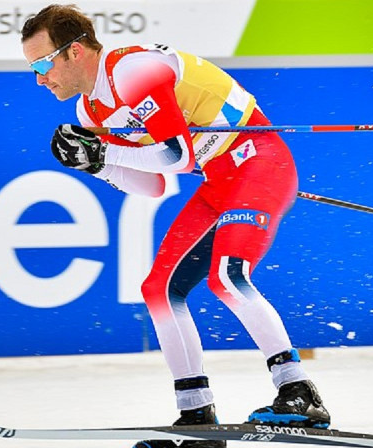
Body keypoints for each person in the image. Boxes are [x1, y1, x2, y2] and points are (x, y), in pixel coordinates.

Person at [20, 4, 330, 446]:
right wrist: (93, 165)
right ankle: (197, 415)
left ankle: (297, 389)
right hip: (220, 180)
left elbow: (174, 155)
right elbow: (151, 185)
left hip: (258, 161)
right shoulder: (93, 109)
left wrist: (105, 154)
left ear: (74, 52)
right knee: (159, 288)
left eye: (42, 63)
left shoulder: (130, 71)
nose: (40, 78)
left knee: (227, 276)